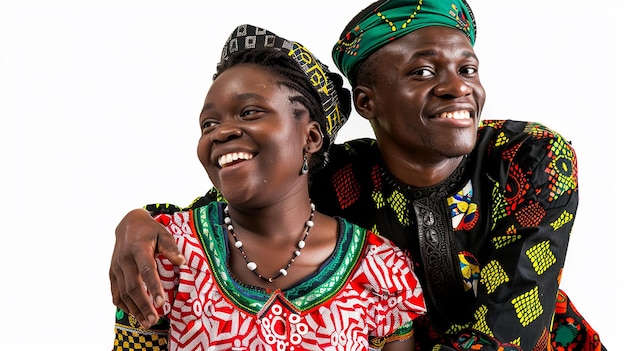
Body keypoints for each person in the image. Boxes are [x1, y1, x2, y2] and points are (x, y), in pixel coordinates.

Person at [110, 1, 606, 350]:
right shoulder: (341, 172)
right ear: (366, 102)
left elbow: (511, 323)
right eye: (423, 72)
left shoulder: (529, 157)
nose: (458, 88)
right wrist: (140, 220)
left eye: (468, 69)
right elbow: (218, 214)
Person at [112, 23, 427, 350]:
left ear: (311, 137)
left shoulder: (380, 268)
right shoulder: (165, 253)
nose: (220, 133)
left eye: (249, 112)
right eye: (209, 123)